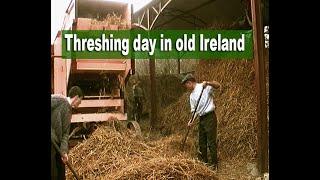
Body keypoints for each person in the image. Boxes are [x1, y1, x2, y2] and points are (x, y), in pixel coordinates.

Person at [181, 73, 221, 168]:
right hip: (202, 118)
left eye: (186, 85)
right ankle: (204, 162)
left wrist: (208, 83)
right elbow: (194, 111)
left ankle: (214, 164)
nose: (186, 87)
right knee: (202, 142)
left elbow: (218, 85)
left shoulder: (204, 87)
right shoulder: (191, 96)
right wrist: (191, 121)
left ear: (190, 82)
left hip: (210, 117)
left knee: (211, 142)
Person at [51, 86, 83, 180]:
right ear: (76, 97)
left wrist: (64, 151)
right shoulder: (60, 100)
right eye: (80, 101)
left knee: (61, 172)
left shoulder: (69, 111)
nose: (79, 103)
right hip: (51, 142)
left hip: (57, 143)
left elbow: (65, 133)